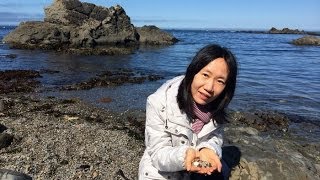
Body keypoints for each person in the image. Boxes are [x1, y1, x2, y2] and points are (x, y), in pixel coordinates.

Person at [138, 44, 238, 180]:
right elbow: (157, 154)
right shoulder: (158, 102)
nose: (209, 87)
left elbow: (214, 137)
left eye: (220, 81)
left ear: (227, 87)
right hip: (160, 173)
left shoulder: (216, 105)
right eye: (205, 75)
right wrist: (185, 156)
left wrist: (208, 149)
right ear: (193, 72)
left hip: (196, 170)